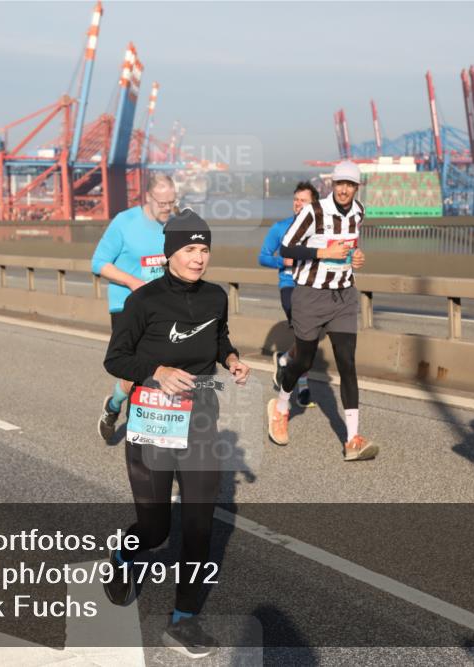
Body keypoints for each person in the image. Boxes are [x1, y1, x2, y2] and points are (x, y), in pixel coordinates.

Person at [102, 210, 250, 658]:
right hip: (152, 420)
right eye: (190, 249)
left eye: (204, 249)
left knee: (199, 527)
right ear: (170, 253)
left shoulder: (215, 297)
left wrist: (232, 359)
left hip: (201, 418)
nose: (199, 258)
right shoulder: (142, 302)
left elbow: (219, 337)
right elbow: (116, 359)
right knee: (155, 529)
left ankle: (183, 619)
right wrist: (158, 369)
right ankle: (126, 556)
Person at [266, 160, 377, 461]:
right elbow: (287, 247)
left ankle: (352, 438)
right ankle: (281, 406)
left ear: (357, 187)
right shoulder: (313, 212)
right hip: (310, 296)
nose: (344, 189)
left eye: (350, 184)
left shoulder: (359, 212)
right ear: (332, 184)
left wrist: (356, 257)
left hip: (343, 296)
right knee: (303, 361)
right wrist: (321, 253)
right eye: (340, 183)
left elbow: (351, 245)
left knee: (347, 362)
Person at [92, 173, 178, 443]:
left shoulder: (175, 225)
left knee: (161, 369)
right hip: (127, 307)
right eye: (163, 203)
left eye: (172, 202)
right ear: (149, 198)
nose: (167, 208)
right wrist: (132, 282)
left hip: (163, 309)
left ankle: (142, 421)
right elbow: (99, 263)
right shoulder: (125, 222)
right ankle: (117, 408)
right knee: (139, 369)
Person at [259, 182, 319, 408]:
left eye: (303, 200)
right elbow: (263, 256)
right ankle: (303, 389)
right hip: (289, 287)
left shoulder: (320, 231)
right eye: (296, 200)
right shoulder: (280, 228)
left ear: (314, 204)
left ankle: (284, 359)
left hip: (313, 287)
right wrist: (281, 261)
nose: (297, 204)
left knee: (307, 340)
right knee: (304, 338)